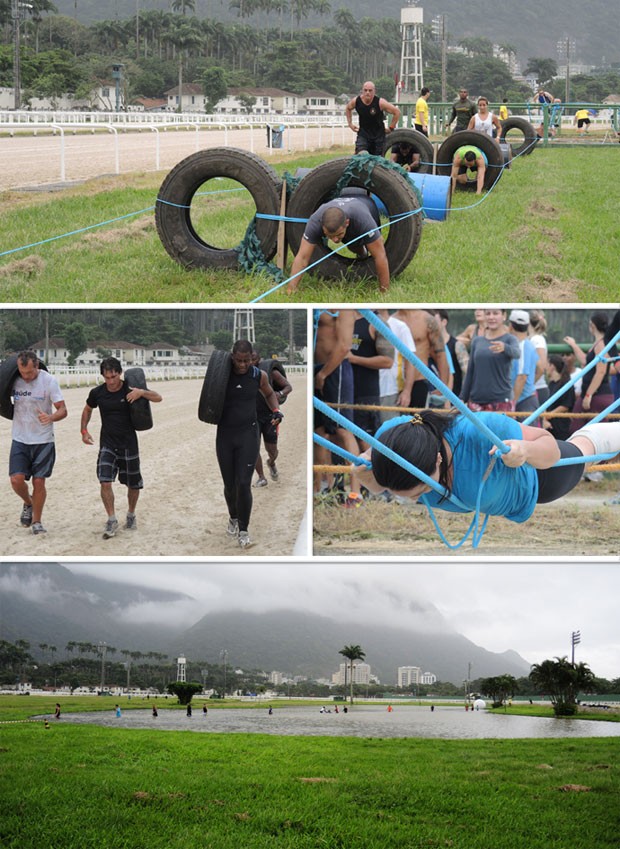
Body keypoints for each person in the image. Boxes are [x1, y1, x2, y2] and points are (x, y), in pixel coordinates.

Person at [354, 408, 620, 524]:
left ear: (436, 459)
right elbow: (377, 484)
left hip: (540, 478)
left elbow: (549, 452)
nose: (415, 500)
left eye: (420, 490)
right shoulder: (390, 441)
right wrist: (366, 478)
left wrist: (524, 451)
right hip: (507, 489)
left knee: (586, 450)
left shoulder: (483, 431)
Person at [81, 357, 163, 539]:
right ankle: (111, 518)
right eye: (107, 377)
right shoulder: (97, 392)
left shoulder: (130, 388)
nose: (111, 381)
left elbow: (158, 398)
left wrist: (141, 393)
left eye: (114, 376)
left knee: (133, 484)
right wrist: (84, 431)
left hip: (128, 443)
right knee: (104, 480)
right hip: (108, 444)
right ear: (102, 375)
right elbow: (87, 409)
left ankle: (131, 514)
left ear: (120, 373)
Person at [215, 339, 283, 549]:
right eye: (239, 360)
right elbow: (209, 395)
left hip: (248, 434)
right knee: (230, 485)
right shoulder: (222, 375)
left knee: (244, 483)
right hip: (225, 435)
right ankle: (233, 517)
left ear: (252, 358)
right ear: (232, 356)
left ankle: (244, 530)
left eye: (247, 360)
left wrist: (276, 410)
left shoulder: (258, 375)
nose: (243, 365)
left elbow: (270, 393)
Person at [8, 350, 67, 535]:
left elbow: (63, 410)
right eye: (22, 372)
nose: (26, 376)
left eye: (30, 373)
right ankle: (28, 502)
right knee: (16, 481)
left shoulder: (49, 381)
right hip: (20, 438)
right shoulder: (13, 380)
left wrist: (51, 417)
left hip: (43, 439)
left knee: (39, 482)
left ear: (37, 366)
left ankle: (37, 521)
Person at [288, 196, 390, 294]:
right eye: (329, 236)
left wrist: (384, 292)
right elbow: (302, 257)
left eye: (339, 234)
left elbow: (380, 256)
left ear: (347, 223)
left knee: (371, 244)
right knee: (352, 245)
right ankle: (362, 254)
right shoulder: (315, 222)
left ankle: (363, 253)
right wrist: (291, 289)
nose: (335, 240)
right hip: (346, 216)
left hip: (367, 206)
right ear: (321, 226)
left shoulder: (363, 220)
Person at [313, 309, 361, 494]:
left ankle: (355, 493)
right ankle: (321, 489)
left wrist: (324, 373)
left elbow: (344, 346)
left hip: (335, 369)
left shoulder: (344, 309)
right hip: (318, 369)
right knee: (319, 432)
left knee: (343, 430)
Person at [347, 312, 394, 448]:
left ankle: (371, 469)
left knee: (364, 439)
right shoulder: (338, 318)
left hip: (365, 392)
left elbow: (387, 361)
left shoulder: (376, 322)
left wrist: (353, 359)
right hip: (339, 389)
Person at [460, 308, 520, 411]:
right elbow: (470, 372)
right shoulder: (477, 341)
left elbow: (517, 353)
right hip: (475, 401)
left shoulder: (510, 339)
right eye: (488, 313)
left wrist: (505, 348)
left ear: (504, 316)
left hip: (501, 400)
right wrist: (462, 398)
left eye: (496, 313)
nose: (491, 317)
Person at [565, 312, 614, 432]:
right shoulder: (598, 343)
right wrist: (574, 345)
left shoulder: (601, 345)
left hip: (597, 395)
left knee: (591, 431)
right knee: (579, 427)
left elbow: (601, 372)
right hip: (594, 394)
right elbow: (586, 361)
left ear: (592, 325)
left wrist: (588, 395)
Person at [251, 349, 292, 488]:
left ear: (259, 359)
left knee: (272, 450)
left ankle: (271, 462)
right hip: (252, 416)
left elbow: (288, 387)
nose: (251, 362)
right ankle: (261, 477)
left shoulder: (270, 373)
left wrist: (279, 393)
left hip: (269, 416)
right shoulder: (243, 375)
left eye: (254, 359)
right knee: (253, 448)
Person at [393, 310, 449, 409]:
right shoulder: (391, 320)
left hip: (419, 380)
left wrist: (443, 386)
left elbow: (440, 354)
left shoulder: (426, 320)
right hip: (395, 383)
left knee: (417, 422)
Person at [376, 309, 415, 424]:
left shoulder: (400, 327)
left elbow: (411, 361)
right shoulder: (362, 322)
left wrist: (407, 391)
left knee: (389, 432)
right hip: (366, 390)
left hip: (390, 390)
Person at [345, 80, 400, 155]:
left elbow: (397, 112)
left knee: (376, 162)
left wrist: (391, 127)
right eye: (365, 90)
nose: (367, 92)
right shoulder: (356, 101)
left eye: (370, 90)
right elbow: (348, 108)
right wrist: (350, 124)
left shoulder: (380, 102)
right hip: (363, 134)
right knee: (362, 154)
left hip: (378, 136)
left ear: (374, 91)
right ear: (362, 91)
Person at [508, 310, 539, 416]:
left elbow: (522, 377)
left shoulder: (521, 346)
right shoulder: (529, 345)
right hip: (527, 398)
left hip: (522, 401)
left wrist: (513, 404)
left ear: (511, 326)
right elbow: (540, 368)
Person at [542, 355, 575, 442]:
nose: (546, 368)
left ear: (552, 366)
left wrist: (551, 414)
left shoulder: (566, 384)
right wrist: (545, 417)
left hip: (561, 424)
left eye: (547, 365)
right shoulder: (551, 384)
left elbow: (566, 405)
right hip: (550, 423)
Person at [529, 310, 549, 405]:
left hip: (538, 389)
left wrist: (530, 384)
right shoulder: (534, 339)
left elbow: (541, 367)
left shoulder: (536, 340)